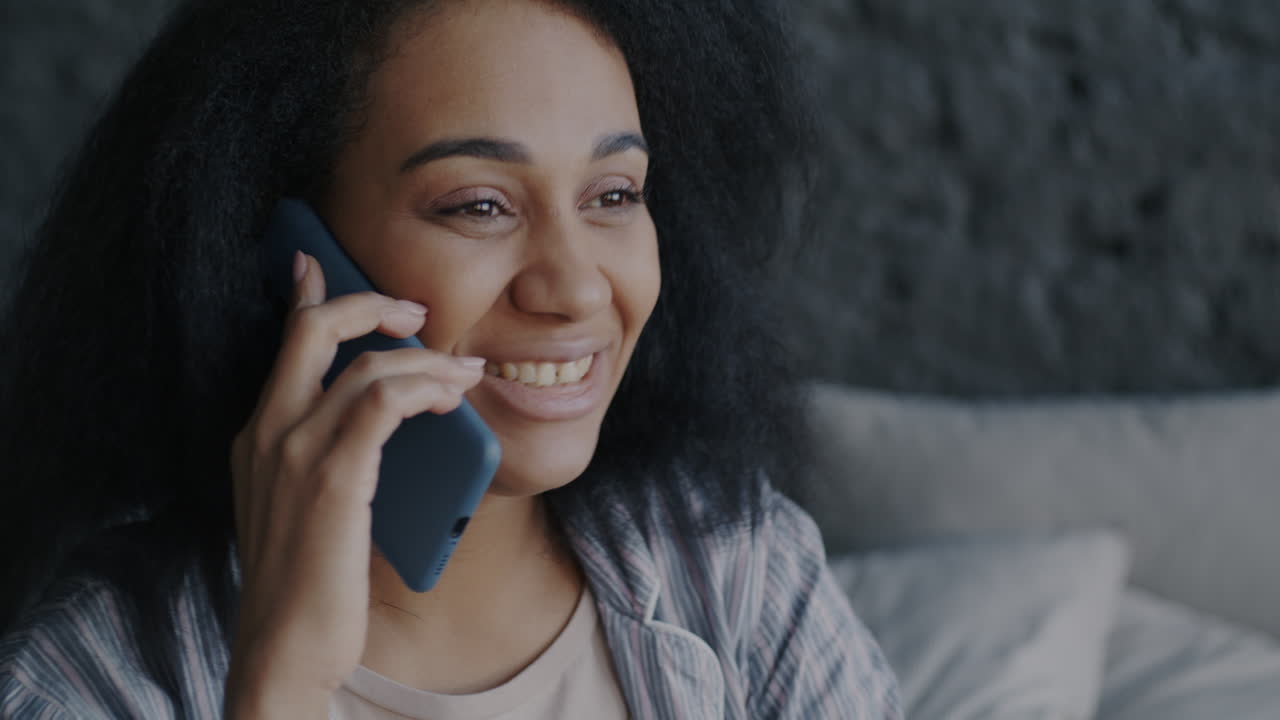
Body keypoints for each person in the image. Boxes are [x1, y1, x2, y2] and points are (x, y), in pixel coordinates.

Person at [0, 0, 902, 717]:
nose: (576, 289)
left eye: (614, 194)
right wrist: (277, 690)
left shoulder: (743, 573)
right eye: (479, 206)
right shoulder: (88, 680)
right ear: (283, 250)